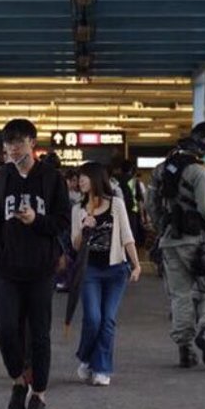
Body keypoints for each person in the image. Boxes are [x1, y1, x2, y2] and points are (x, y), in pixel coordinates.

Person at [0, 119, 70, 409]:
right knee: (6, 329)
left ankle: (38, 395)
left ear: (32, 144)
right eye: (8, 144)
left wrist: (36, 220)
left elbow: (62, 223)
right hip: (6, 269)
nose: (13, 149)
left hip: (41, 269)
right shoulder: (0, 179)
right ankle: (17, 380)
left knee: (40, 334)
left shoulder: (52, 178)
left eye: (18, 143)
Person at [148, 122, 205, 369]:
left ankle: (185, 350)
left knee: (180, 295)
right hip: (198, 243)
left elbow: (151, 205)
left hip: (170, 242)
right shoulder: (198, 171)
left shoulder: (162, 169)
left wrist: (161, 228)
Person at [71, 162, 141, 386]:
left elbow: (127, 236)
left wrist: (136, 264)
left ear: (96, 179)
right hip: (89, 270)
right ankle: (85, 356)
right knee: (93, 318)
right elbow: (75, 245)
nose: (80, 181)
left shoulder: (117, 205)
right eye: (79, 178)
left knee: (108, 320)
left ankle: (101, 368)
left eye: (84, 177)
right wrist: (84, 227)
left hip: (115, 270)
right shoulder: (77, 209)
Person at [113, 159, 148, 247]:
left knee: (119, 234)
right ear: (131, 169)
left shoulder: (115, 181)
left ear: (121, 169)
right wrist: (143, 216)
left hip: (117, 211)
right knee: (131, 235)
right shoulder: (134, 181)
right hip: (132, 212)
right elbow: (139, 199)